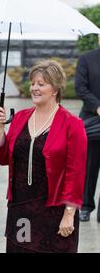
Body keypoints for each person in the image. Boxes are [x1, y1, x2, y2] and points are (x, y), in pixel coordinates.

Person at [0, 59, 87, 253]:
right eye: (33, 83)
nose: (34, 88)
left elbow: (75, 173)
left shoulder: (72, 124)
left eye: (41, 84)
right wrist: (0, 130)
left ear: (55, 89)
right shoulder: (20, 118)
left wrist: (69, 213)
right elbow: (4, 158)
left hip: (54, 210)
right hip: (21, 209)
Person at [75, 37, 100, 222]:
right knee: (89, 166)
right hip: (91, 120)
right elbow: (80, 88)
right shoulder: (86, 58)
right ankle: (85, 206)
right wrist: (98, 107)